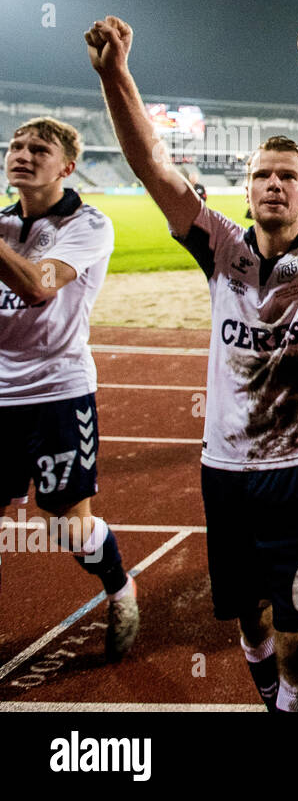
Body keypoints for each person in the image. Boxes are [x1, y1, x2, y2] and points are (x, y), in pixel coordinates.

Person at [87, 15, 298, 712]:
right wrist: (114, 74)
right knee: (250, 624)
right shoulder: (221, 250)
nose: (273, 184)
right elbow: (154, 164)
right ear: (245, 190)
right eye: (261, 175)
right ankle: (277, 700)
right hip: (227, 472)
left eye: (287, 177)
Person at [1, 117, 139, 658]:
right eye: (16, 145)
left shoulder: (88, 224)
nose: (23, 153)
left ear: (67, 165)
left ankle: (120, 587)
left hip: (58, 392)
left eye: (39, 148)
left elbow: (39, 287)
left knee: (67, 527)